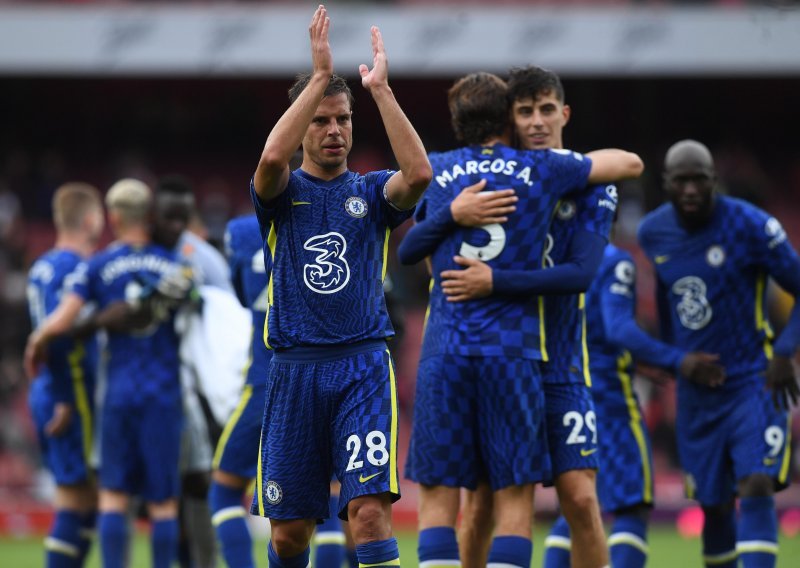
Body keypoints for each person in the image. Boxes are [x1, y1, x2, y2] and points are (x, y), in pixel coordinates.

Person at [400, 71, 643, 568]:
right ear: (508, 118)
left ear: (564, 114)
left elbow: (582, 271)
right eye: (525, 111)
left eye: (546, 110)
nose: (535, 121)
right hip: (509, 354)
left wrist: (493, 281)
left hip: (561, 364)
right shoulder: (513, 174)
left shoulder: (588, 185)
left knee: (579, 498)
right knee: (484, 503)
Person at [248, 5, 432, 566]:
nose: (334, 131)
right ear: (303, 124)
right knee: (289, 535)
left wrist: (379, 91)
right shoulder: (278, 194)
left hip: (361, 367)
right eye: (322, 120)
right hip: (294, 371)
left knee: (369, 514)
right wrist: (322, 76)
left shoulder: (372, 193)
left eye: (343, 120)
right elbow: (272, 157)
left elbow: (420, 175)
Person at [638, 139, 800, 568]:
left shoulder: (752, 227)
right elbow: (666, 290)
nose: (691, 189)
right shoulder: (652, 232)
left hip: (754, 380)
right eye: (681, 181)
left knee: (757, 483)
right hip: (696, 393)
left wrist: (785, 352)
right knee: (713, 505)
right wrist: (669, 356)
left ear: (715, 181)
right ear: (667, 183)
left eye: (700, 180)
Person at [26, 178, 189, 568]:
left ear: (113, 217)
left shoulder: (97, 266)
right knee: (163, 502)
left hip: (117, 392)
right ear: (149, 214)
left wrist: (36, 342)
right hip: (163, 391)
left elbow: (62, 321)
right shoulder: (176, 265)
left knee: (112, 495)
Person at [152, 174, 232, 568]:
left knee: (196, 482)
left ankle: (204, 562)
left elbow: (225, 329)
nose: (175, 227)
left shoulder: (206, 261)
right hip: (149, 388)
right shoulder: (141, 256)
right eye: (168, 217)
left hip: (196, 392)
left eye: (182, 218)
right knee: (161, 490)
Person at [26, 182, 105, 567]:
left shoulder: (41, 265)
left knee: (86, 496)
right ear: (91, 220)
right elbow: (57, 335)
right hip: (68, 390)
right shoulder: (75, 268)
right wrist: (62, 396)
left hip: (48, 388)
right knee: (75, 497)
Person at [209, 213, 274, 568]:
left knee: (223, 490)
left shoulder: (243, 231)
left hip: (266, 379)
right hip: (323, 378)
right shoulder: (327, 221)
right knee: (326, 498)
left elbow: (239, 293)